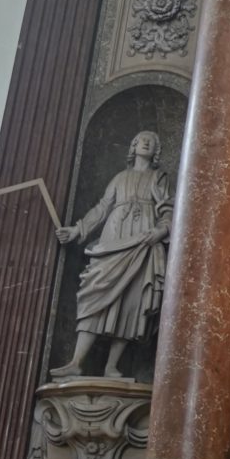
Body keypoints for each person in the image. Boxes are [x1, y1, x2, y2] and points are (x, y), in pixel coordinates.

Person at [51, 131, 171, 379]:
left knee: (131, 302)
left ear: (156, 150)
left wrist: (161, 230)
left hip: (142, 241)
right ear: (133, 146)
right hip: (114, 238)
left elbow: (168, 209)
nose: (146, 142)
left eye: (151, 140)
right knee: (95, 293)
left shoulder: (158, 178)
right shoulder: (119, 178)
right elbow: (102, 207)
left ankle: (111, 366)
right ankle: (76, 361)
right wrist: (78, 229)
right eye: (140, 139)